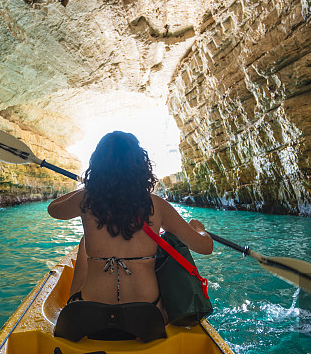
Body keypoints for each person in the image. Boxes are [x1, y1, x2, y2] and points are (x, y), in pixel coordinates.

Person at [47, 131, 212, 317]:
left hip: (92, 312)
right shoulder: (156, 205)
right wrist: (200, 230)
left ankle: (76, 303)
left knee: (84, 243)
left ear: (97, 165)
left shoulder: (86, 200)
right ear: (141, 166)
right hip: (147, 315)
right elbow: (205, 247)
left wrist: (90, 187)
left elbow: (53, 209)